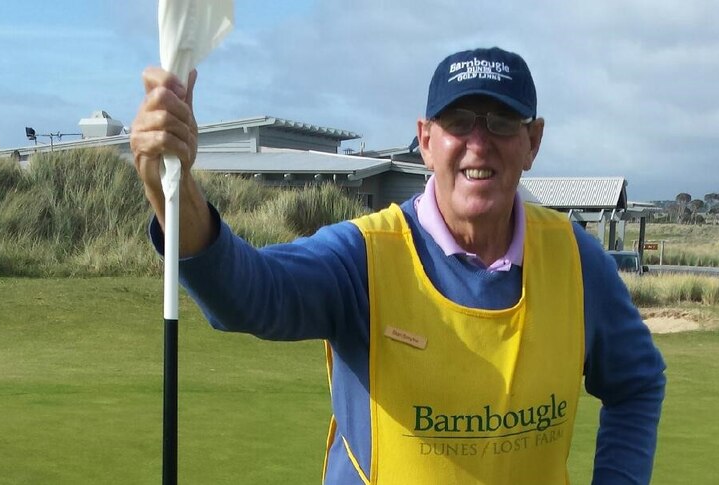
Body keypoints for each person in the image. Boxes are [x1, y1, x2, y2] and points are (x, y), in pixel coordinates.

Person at [130, 46, 666, 484]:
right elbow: (247, 294)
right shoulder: (363, 254)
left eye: (503, 122)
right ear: (427, 141)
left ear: (533, 141)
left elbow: (636, 382)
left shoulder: (577, 259)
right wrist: (173, 193)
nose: (479, 144)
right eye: (459, 122)